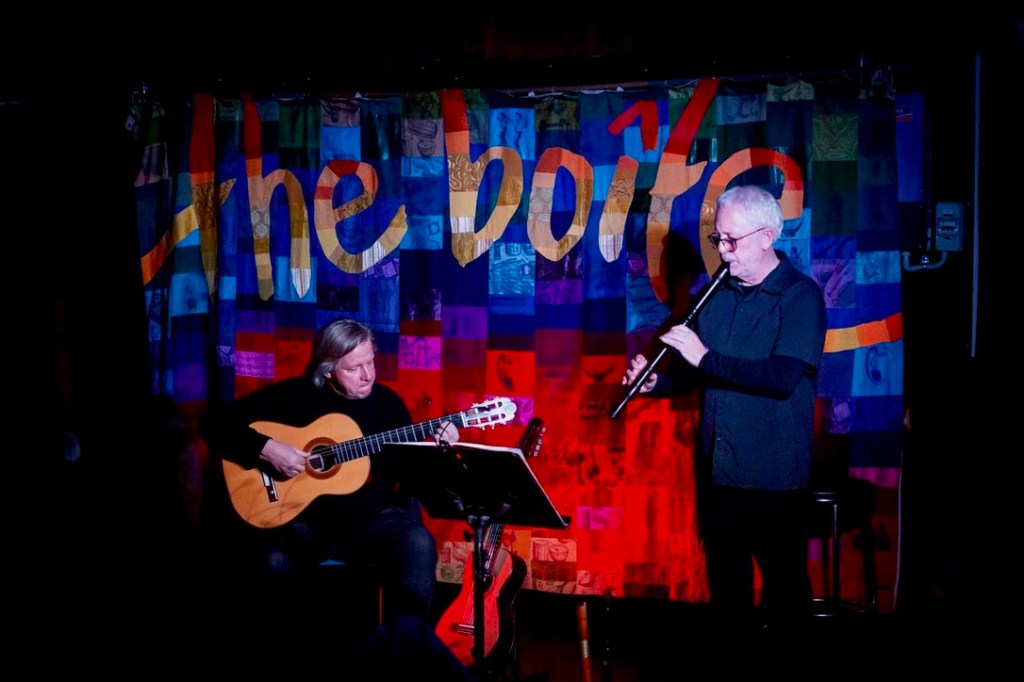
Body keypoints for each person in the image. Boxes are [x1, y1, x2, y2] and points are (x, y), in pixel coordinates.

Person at [622, 184, 827, 636]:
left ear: (767, 237)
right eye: (719, 239)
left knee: (786, 597)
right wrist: (656, 383)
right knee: (728, 601)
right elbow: (696, 375)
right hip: (718, 474)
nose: (724, 250)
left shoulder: (800, 296)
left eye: (732, 240)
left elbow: (781, 377)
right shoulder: (715, 296)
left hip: (773, 478)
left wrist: (704, 358)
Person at [199, 318, 462, 637]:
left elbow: (412, 479)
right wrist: (267, 449)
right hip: (302, 525)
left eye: (370, 362)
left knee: (418, 542)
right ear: (327, 370)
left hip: (367, 523)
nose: (368, 375)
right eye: (354, 368)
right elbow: (214, 422)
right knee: (271, 561)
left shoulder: (388, 405)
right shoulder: (295, 397)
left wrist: (441, 449)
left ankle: (408, 647)